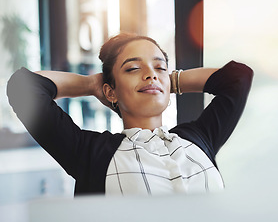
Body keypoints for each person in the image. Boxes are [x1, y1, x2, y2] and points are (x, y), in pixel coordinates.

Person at [7, 33, 253, 196]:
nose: (150, 74)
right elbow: (23, 88)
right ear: (110, 91)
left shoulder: (199, 138)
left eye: (159, 67)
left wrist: (169, 82)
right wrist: (92, 85)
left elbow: (238, 78)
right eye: (133, 68)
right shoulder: (89, 153)